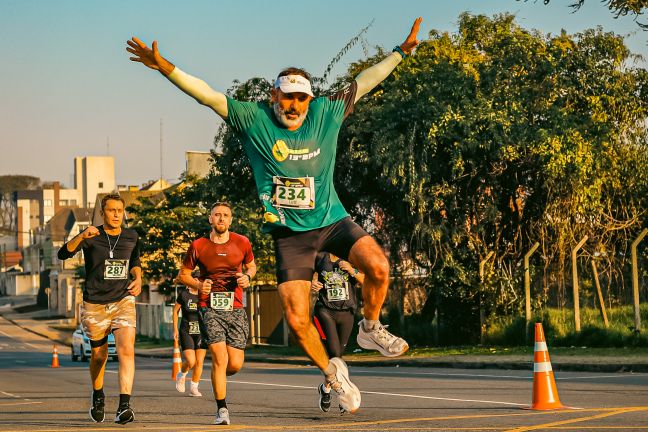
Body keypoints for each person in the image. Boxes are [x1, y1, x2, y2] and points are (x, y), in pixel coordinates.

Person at [127, 17, 421, 414]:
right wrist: (167, 69)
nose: (294, 105)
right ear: (273, 96)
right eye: (287, 97)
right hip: (291, 236)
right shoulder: (254, 120)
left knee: (380, 268)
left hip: (332, 220)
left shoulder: (327, 114)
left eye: (301, 98)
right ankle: (333, 376)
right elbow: (208, 96)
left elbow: (366, 80)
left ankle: (371, 328)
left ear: (310, 101)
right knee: (298, 320)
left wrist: (401, 53)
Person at [57, 193, 141, 424]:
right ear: (103, 213)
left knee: (126, 348)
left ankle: (125, 406)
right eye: (111, 210)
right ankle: (98, 395)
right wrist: (82, 235)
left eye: (119, 210)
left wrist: (139, 277)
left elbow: (135, 262)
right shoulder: (92, 235)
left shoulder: (131, 236)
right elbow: (63, 253)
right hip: (95, 303)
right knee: (98, 356)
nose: (116, 214)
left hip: (123, 299)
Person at [175, 202, 256, 425]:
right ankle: (222, 410)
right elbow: (183, 275)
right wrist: (199, 286)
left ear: (231, 220)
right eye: (217, 215)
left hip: (236, 307)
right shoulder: (198, 245)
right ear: (210, 219)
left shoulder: (242, 242)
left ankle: (217, 376)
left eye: (225, 215)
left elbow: (252, 267)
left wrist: (247, 277)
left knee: (235, 364)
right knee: (220, 359)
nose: (221, 218)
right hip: (208, 307)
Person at [311, 252, 364, 412]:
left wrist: (351, 270)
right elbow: (309, 277)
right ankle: (343, 393)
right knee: (334, 354)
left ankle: (325, 389)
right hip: (325, 310)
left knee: (338, 357)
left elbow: (365, 281)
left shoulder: (353, 258)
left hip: (347, 311)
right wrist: (313, 284)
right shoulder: (320, 258)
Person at [172, 284, 207, 397]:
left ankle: (194, 388)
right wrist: (175, 329)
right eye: (196, 279)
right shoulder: (184, 294)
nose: (198, 281)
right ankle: (181, 374)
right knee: (191, 361)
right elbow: (175, 311)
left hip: (201, 331)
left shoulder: (205, 294)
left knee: (199, 362)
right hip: (186, 331)